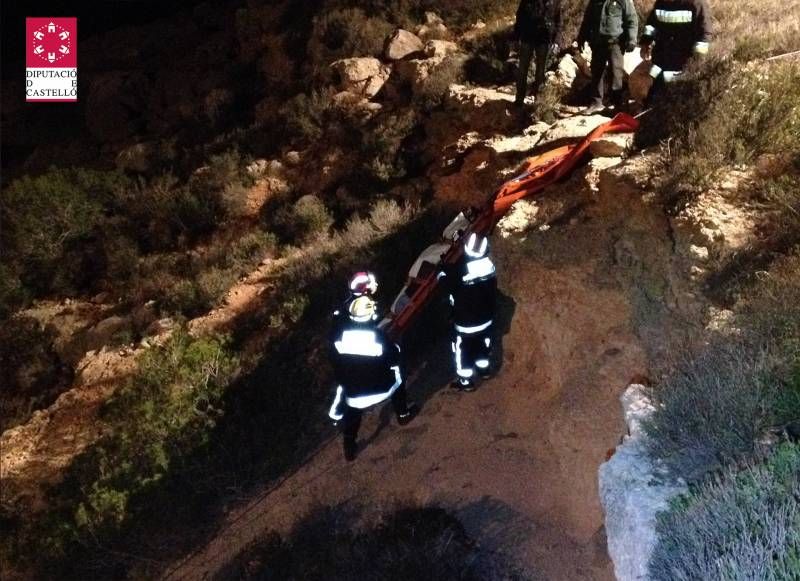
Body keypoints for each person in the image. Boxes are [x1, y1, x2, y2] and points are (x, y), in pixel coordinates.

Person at [328, 295, 418, 461]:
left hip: (354, 394)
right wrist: (396, 347)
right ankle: (403, 414)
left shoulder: (339, 337)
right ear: (370, 315)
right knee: (398, 376)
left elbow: (335, 362)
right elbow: (393, 358)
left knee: (352, 414)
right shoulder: (377, 336)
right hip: (381, 388)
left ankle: (349, 446)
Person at [439, 233, 497, 391]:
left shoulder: (461, 271)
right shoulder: (489, 266)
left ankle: (465, 381)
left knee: (463, 351)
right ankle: (484, 370)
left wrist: (441, 271)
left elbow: (446, 284)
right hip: (486, 319)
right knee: (482, 344)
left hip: (466, 323)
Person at [577, 0, 638, 113]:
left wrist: (632, 39)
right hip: (598, 43)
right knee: (597, 72)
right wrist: (581, 37)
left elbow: (632, 20)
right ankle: (596, 103)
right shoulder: (594, 2)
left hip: (616, 43)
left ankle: (617, 105)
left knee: (616, 74)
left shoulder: (623, 1)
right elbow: (587, 20)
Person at [639, 0, 712, 94]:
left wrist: (697, 59)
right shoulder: (661, 3)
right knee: (656, 95)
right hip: (661, 59)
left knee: (680, 97)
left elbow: (704, 33)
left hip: (683, 63)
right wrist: (646, 42)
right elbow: (651, 25)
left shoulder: (696, 3)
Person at [514, 0, 563, 106]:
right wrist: (516, 37)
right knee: (522, 69)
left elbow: (558, 22)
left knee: (540, 71)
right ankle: (519, 99)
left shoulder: (555, 2)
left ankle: (538, 100)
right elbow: (519, 17)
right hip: (527, 37)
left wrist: (557, 41)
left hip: (543, 39)